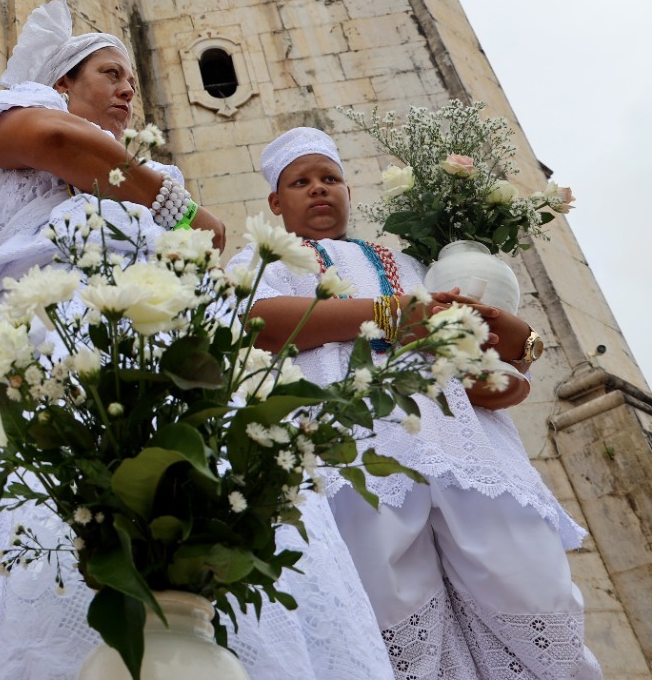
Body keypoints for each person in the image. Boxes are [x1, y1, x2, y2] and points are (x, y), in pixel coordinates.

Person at [0, 0, 393, 680]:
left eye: (131, 79)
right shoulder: (15, 118)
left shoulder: (143, 171)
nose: (127, 88)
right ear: (60, 84)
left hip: (161, 354)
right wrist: (177, 208)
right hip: (54, 343)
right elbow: (59, 145)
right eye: (110, 73)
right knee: (56, 528)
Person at [231, 127, 600, 680]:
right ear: (275, 202)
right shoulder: (264, 262)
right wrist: (390, 315)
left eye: (330, 178)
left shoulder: (409, 264)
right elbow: (260, 323)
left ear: (349, 192)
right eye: (300, 182)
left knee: (527, 582)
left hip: (463, 447)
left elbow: (484, 359)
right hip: (357, 452)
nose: (318, 190)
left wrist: (514, 350)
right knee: (391, 605)